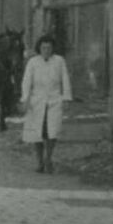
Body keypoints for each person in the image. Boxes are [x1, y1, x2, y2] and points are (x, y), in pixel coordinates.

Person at [20, 34, 72, 173]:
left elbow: (65, 79)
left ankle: (48, 158)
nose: (46, 50)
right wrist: (25, 99)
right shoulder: (33, 62)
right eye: (43, 48)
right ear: (39, 48)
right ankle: (39, 161)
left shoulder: (59, 61)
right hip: (37, 102)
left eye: (49, 48)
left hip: (54, 101)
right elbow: (26, 82)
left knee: (52, 132)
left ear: (53, 48)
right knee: (37, 133)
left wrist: (66, 98)